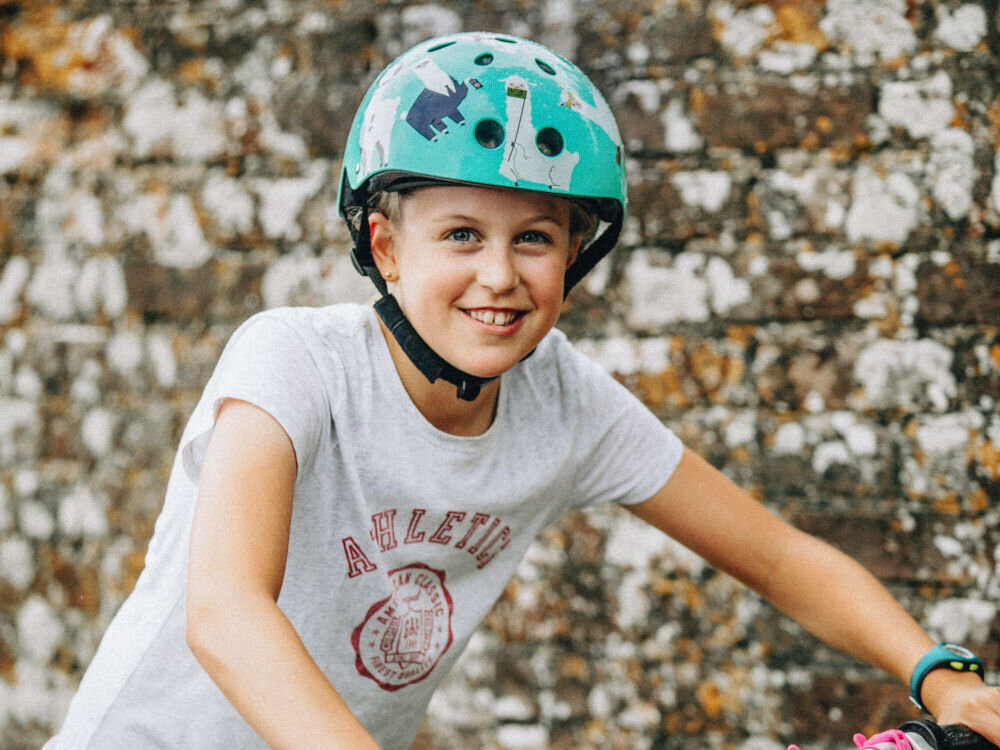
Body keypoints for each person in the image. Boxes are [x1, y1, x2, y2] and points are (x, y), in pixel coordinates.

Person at [45, 32, 999, 750]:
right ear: (386, 247)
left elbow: (780, 558)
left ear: (573, 256)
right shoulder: (292, 361)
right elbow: (225, 612)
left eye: (534, 238)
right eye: (461, 234)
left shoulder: (566, 404)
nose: (499, 275)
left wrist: (937, 675)